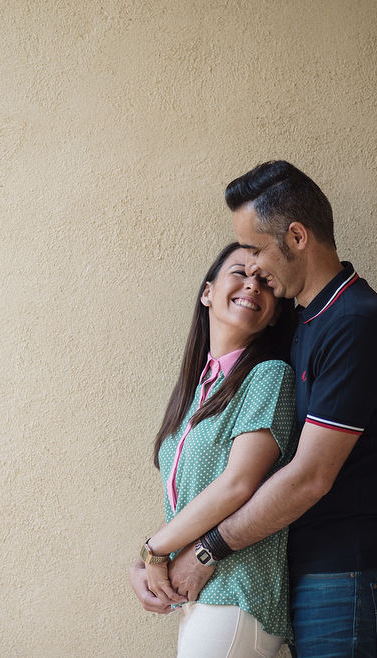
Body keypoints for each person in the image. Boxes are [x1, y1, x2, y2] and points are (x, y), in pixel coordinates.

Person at [169, 161, 377, 657]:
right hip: (322, 575)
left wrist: (206, 551)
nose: (255, 267)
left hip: (352, 573)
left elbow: (309, 477)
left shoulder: (355, 324)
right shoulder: (311, 323)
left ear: (298, 236)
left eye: (258, 249)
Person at [129, 242, 298, 657]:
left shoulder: (269, 376)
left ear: (275, 312)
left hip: (238, 589)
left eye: (265, 282)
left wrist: (155, 549)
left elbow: (237, 484)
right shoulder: (197, 390)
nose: (253, 285)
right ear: (207, 292)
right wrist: (146, 565)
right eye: (240, 272)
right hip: (199, 593)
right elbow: (189, 497)